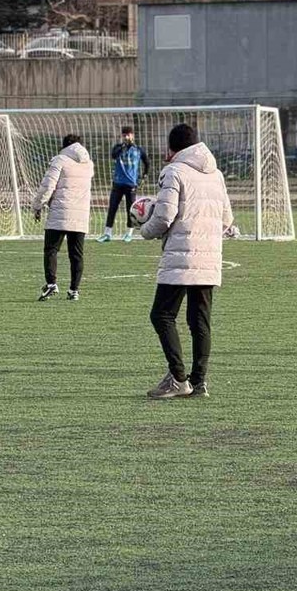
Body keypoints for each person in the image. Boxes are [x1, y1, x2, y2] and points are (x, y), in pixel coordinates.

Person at [141, 123, 233, 399]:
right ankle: (200, 382)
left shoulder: (173, 171)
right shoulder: (215, 174)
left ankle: (179, 378)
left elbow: (164, 217)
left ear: (172, 148)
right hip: (209, 258)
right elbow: (227, 220)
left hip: (182, 256)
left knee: (162, 315)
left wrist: (144, 228)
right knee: (199, 321)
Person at [32, 134, 94, 301]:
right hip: (80, 214)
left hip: (60, 212)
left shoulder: (60, 160)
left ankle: (51, 284)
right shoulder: (89, 164)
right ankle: (74, 290)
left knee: (51, 249)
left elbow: (48, 186)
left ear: (64, 146)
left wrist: (37, 205)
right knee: (76, 254)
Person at [100, 125, 149, 242]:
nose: (126, 137)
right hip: (118, 183)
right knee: (112, 207)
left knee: (130, 209)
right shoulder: (118, 147)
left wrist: (144, 176)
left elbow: (147, 162)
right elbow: (113, 155)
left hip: (131, 184)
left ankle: (128, 233)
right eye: (124, 135)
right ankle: (107, 233)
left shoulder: (138, 149)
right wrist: (123, 147)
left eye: (128, 134)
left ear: (132, 135)